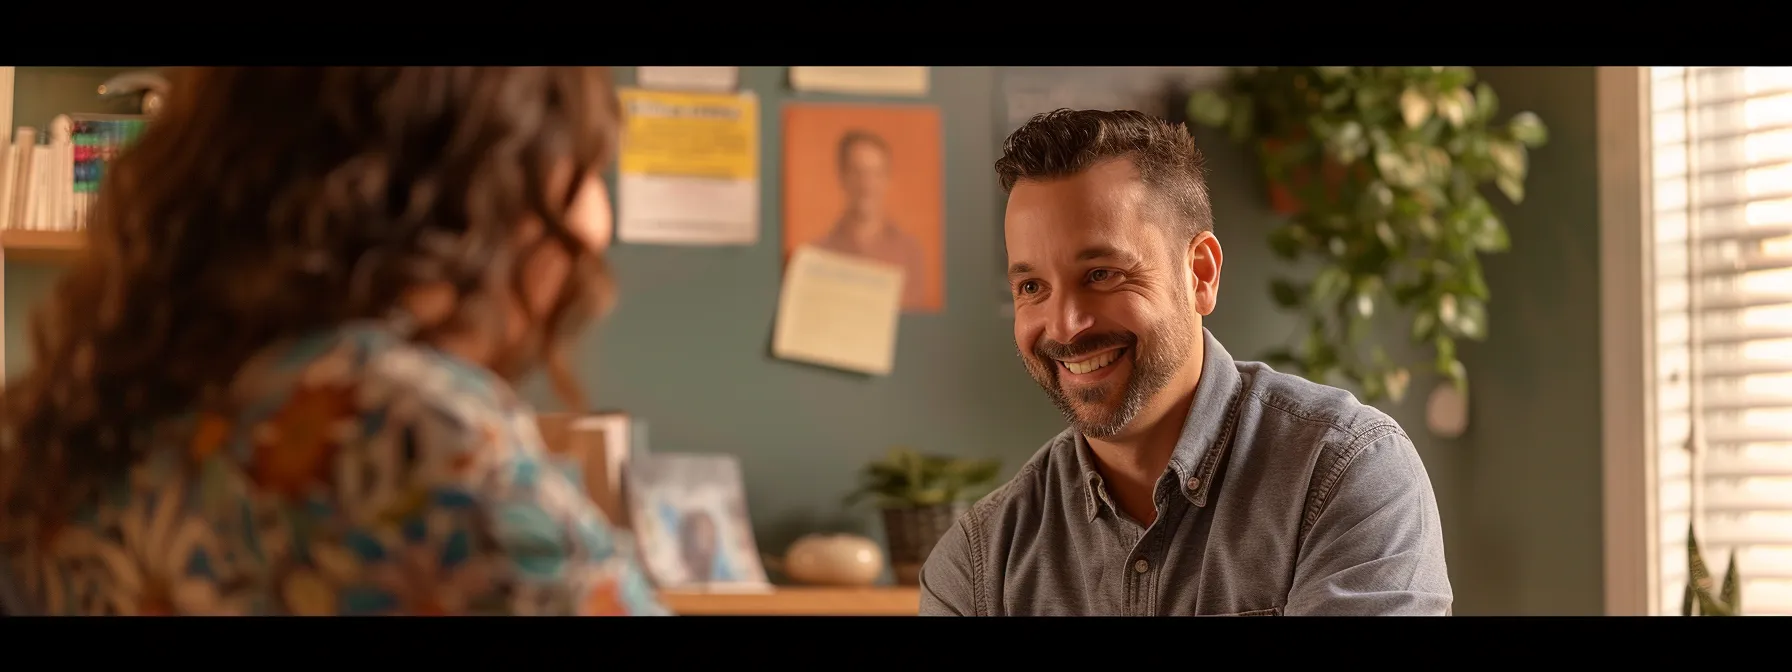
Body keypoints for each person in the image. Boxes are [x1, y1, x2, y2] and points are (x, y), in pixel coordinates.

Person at [0, 67, 668, 616]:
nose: (593, 224)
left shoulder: (72, 418)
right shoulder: (391, 423)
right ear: (463, 179)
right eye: (582, 166)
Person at [918, 109, 1452, 616]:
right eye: (1032, 286)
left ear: (1200, 273)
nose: (1064, 326)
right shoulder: (979, 563)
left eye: (1102, 273)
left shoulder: (1344, 474)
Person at [812, 130, 927, 310]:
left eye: (876, 173)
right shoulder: (818, 255)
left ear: (887, 179)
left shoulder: (910, 252)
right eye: (858, 172)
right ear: (842, 177)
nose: (867, 184)